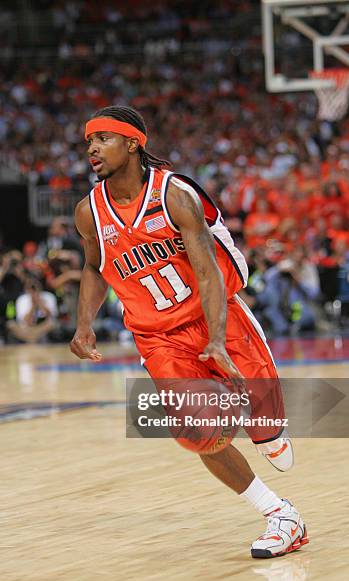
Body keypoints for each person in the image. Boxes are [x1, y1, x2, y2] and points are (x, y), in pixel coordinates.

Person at [70, 105, 309, 558]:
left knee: (268, 429)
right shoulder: (89, 212)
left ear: (133, 143)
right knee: (196, 432)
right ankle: (281, 516)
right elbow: (93, 266)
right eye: (88, 141)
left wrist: (216, 339)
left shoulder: (175, 195)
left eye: (103, 139)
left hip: (213, 313)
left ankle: (268, 429)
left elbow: (208, 272)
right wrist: (84, 325)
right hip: (157, 335)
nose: (92, 149)